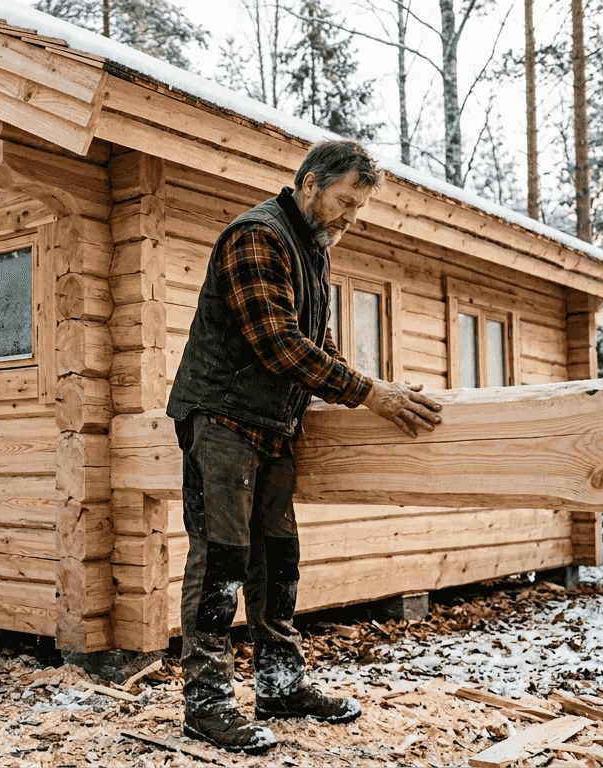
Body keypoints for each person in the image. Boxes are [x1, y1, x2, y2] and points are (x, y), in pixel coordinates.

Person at [165, 139, 444, 755]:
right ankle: (207, 705)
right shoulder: (257, 236)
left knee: (277, 559)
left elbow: (322, 346)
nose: (350, 217)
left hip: (273, 426)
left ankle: (281, 685)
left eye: (359, 208)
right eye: (345, 201)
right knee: (222, 563)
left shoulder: (311, 252)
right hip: (224, 421)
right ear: (311, 183)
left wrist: (367, 387)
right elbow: (280, 344)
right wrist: (371, 395)